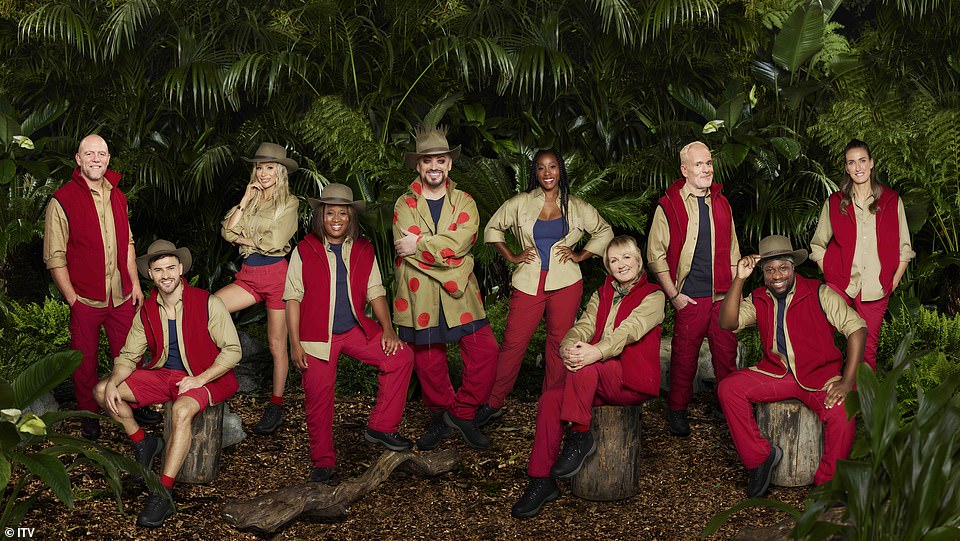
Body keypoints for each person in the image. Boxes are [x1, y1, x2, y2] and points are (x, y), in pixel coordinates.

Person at [511, 235, 664, 518]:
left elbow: (628, 330)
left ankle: (579, 436)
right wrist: (569, 345)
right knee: (550, 401)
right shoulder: (602, 293)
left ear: (639, 260)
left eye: (627, 257)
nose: (621, 265)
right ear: (607, 266)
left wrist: (595, 352)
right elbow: (583, 325)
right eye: (614, 260)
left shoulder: (654, 296)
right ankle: (541, 481)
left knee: (586, 365)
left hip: (630, 380)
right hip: (595, 378)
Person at [93, 240, 241, 527]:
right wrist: (113, 382)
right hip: (165, 376)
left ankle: (163, 492)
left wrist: (200, 379)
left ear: (181, 268)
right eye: (159, 270)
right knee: (102, 391)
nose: (166, 275)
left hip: (207, 376)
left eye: (171, 268)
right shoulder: (147, 310)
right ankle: (144, 441)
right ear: (150, 273)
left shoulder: (208, 301)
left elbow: (233, 350)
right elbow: (128, 355)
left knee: (182, 411)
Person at [284, 183, 415, 484]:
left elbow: (375, 292)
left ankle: (381, 427)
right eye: (330, 213)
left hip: (354, 330)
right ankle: (323, 463)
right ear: (321, 216)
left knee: (401, 357)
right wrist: (295, 344)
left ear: (351, 217)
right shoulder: (304, 250)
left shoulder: (364, 249)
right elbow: (293, 298)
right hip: (315, 339)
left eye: (343, 213)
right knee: (319, 401)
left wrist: (388, 329)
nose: (337, 219)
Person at [717, 235, 867, 498]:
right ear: (762, 272)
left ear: (793, 267)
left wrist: (846, 380)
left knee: (842, 412)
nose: (777, 275)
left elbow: (857, 329)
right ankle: (759, 458)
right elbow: (728, 322)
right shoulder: (759, 297)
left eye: (783, 267)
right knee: (729, 388)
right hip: (776, 373)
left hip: (819, 377)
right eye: (770, 269)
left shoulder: (820, 292)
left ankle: (828, 484)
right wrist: (740, 278)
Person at [479, 149, 613, 426]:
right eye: (541, 168)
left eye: (553, 166)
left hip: (566, 282)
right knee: (513, 344)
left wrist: (581, 254)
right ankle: (493, 402)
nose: (547, 173)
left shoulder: (576, 206)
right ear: (535, 173)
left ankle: (552, 402)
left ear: (560, 170)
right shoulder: (520, 203)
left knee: (559, 344)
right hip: (528, 282)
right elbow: (492, 229)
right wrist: (513, 256)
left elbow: (604, 231)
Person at [393, 125, 500, 451]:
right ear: (418, 166)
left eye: (440, 160)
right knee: (429, 363)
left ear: (449, 164)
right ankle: (439, 418)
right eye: (427, 161)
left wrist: (421, 246)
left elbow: (463, 242)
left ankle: (462, 412)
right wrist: (451, 263)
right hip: (419, 293)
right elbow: (421, 251)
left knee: (485, 352)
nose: (434, 166)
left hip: (460, 295)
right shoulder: (404, 204)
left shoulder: (465, 202)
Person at [43, 134, 145, 441]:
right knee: (84, 362)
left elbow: (127, 242)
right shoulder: (62, 200)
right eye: (90, 154)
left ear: (108, 158)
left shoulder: (118, 195)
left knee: (130, 353)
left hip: (122, 294)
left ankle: (133, 403)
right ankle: (89, 416)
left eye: (101, 153)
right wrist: (73, 299)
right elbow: (54, 256)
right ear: (78, 159)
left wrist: (136, 284)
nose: (96, 159)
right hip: (86, 298)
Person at [646, 140, 740, 437]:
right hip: (690, 296)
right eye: (699, 164)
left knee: (726, 354)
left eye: (709, 163)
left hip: (723, 295)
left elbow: (734, 250)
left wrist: (736, 292)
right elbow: (654, 254)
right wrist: (674, 295)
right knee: (684, 357)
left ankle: (727, 406)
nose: (706, 169)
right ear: (684, 169)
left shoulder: (722, 202)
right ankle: (677, 410)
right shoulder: (670, 204)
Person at [217, 142, 300, 435]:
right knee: (210, 309)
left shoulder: (289, 203)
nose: (263, 173)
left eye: (269, 168)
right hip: (249, 275)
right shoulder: (250, 200)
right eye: (259, 167)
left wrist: (246, 237)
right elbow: (227, 232)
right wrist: (243, 200)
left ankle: (276, 405)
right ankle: (218, 376)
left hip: (277, 276)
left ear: (279, 171)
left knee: (278, 345)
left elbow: (275, 242)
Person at [810, 139, 914, 370]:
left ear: (871, 164)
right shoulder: (835, 202)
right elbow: (817, 244)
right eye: (852, 162)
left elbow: (904, 249)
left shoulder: (891, 200)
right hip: (840, 283)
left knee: (867, 350)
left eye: (862, 161)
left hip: (876, 287)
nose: (858, 167)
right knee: (822, 336)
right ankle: (822, 390)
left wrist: (893, 281)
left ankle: (862, 403)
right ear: (846, 168)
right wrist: (828, 270)